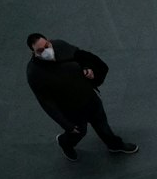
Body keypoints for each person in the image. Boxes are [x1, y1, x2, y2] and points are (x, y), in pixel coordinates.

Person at [26, 31, 137, 160]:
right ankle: (65, 142)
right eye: (40, 50)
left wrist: (87, 67)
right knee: (79, 133)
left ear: (49, 41)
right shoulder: (34, 73)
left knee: (102, 125)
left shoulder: (60, 45)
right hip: (71, 110)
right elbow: (46, 102)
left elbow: (80, 56)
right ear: (33, 52)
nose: (46, 51)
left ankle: (114, 145)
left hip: (90, 98)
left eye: (47, 45)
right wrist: (66, 124)